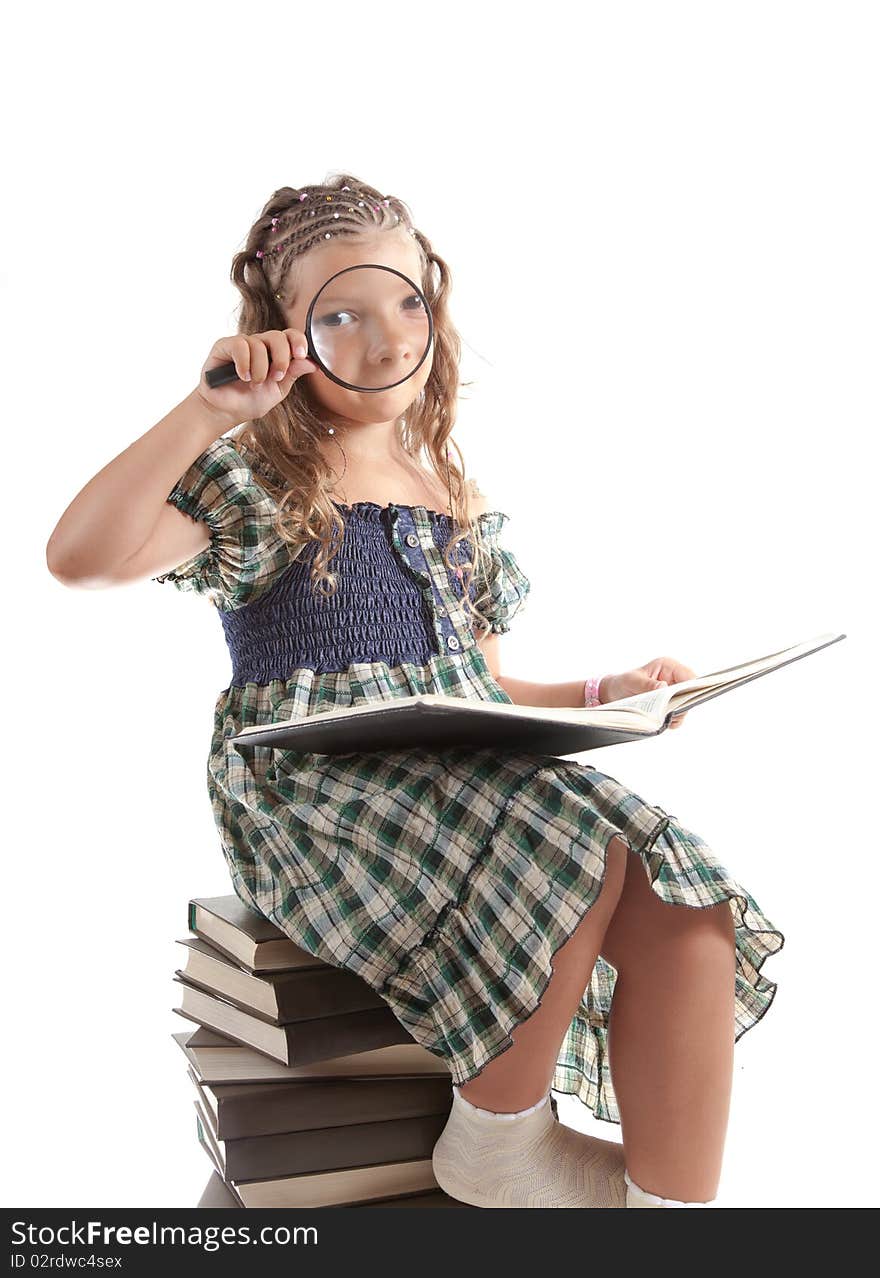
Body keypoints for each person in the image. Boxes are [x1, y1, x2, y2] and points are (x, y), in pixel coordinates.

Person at [46, 172, 784, 1210]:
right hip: (312, 785)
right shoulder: (257, 479)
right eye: (341, 315)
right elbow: (82, 558)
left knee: (678, 887)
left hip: (453, 768)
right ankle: (497, 1140)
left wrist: (602, 690)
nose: (389, 341)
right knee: (573, 846)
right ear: (284, 336)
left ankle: (667, 1212)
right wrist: (207, 408)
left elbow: (473, 683)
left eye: (407, 304)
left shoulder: (449, 495)